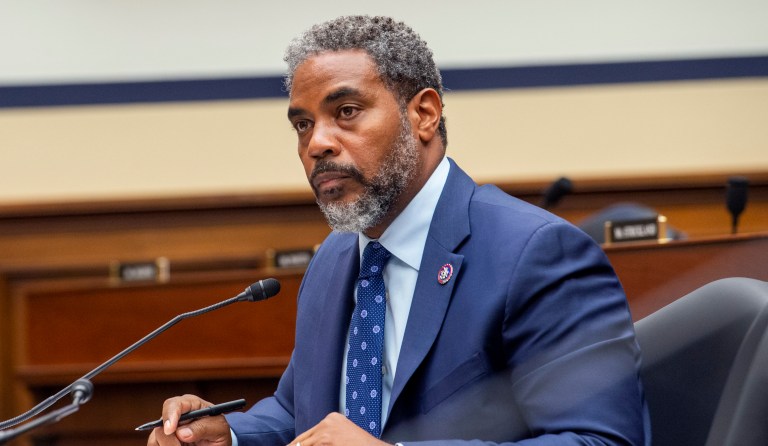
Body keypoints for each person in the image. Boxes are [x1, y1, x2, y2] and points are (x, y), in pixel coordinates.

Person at [148, 15, 649, 446]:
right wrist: (230, 434)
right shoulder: (336, 258)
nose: (317, 142)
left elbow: (598, 438)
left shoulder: (535, 253)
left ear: (424, 114)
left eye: (345, 112)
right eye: (302, 124)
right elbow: (302, 413)